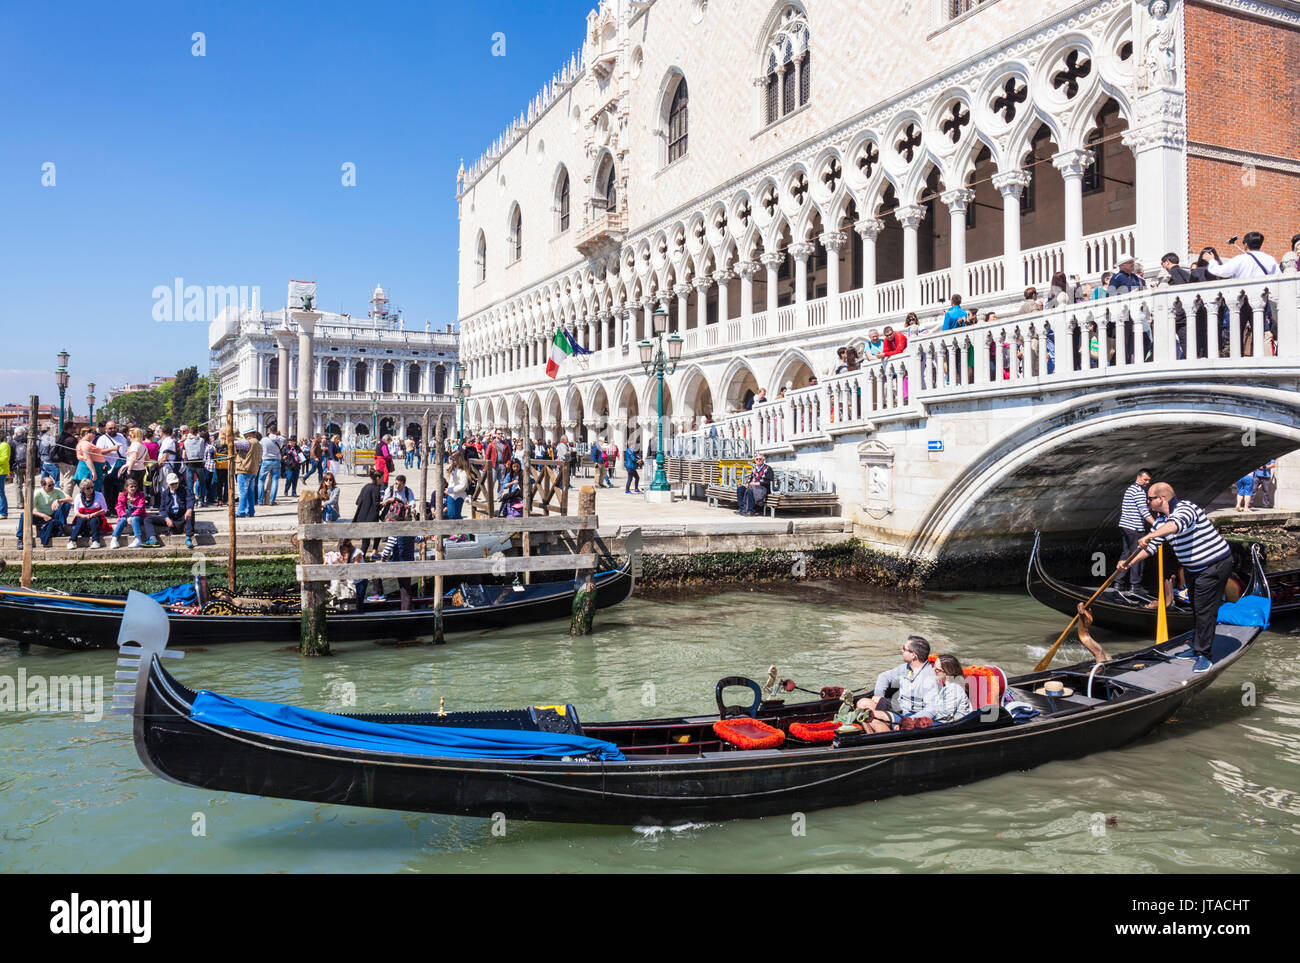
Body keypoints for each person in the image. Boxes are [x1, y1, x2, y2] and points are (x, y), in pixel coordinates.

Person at [1119, 482, 1233, 673]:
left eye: (1150, 499)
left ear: (1161, 499)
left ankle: (1204, 655)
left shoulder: (1186, 508)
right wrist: (1129, 562)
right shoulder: (1160, 520)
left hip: (1215, 564)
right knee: (1196, 607)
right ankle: (1197, 646)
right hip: (1192, 568)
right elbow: (1152, 546)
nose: (1147, 502)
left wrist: (1149, 535)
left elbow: (1176, 526)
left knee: (1205, 609)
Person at [856, 635, 939, 727]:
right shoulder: (906, 667)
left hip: (912, 715)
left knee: (871, 717)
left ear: (913, 655)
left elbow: (931, 709)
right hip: (899, 707)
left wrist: (908, 721)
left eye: (904, 649)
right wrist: (878, 696)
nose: (902, 651)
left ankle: (882, 738)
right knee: (862, 705)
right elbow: (884, 676)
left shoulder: (929, 678)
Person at [377, 499, 423, 611]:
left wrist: (382, 558)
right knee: (405, 589)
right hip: (409, 563)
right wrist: (426, 537)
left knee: (376, 571)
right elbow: (418, 539)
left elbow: (387, 550)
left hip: (398, 563)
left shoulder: (395, 533)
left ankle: (380, 594)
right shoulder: (409, 530)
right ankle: (406, 610)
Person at [1118, 468, 1156, 594]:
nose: (1147, 482)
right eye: (1145, 480)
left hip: (1125, 526)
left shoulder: (1130, 489)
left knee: (1126, 554)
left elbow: (1139, 506)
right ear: (1138, 477)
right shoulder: (1139, 492)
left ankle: (1119, 582)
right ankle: (1135, 585)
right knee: (1138, 555)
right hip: (1135, 528)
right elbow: (1144, 512)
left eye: (1148, 481)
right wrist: (1157, 525)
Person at [18, 475, 72, 549]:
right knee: (23, 515)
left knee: (66, 505)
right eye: (50, 485)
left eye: (53, 484)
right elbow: (28, 509)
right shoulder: (37, 493)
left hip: (53, 515)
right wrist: (43, 515)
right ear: (43, 486)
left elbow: (70, 499)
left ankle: (61, 527)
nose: (52, 487)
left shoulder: (56, 490)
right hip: (40, 516)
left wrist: (58, 500)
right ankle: (20, 538)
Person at [919, 654, 974, 724]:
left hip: (952, 724)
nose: (933, 671)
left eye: (937, 670)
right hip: (943, 720)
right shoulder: (945, 686)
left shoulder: (954, 688)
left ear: (947, 672)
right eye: (933, 668)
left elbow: (944, 714)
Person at [149, 471, 196, 547]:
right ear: (167, 484)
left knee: (191, 513)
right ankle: (152, 538)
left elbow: (190, 499)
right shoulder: (164, 493)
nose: (174, 485)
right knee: (148, 519)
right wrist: (166, 518)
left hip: (181, 516)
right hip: (170, 517)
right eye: (172, 484)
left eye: (176, 483)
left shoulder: (185, 489)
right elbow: (162, 508)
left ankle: (188, 538)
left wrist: (189, 509)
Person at [1207, 231, 1281, 279]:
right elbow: (1279, 275)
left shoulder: (1240, 259)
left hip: (1244, 297)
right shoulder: (1270, 259)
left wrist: (1211, 261)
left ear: (1246, 245)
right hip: (1264, 297)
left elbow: (1222, 271)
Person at [110, 476, 158, 549]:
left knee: (134, 519)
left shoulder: (140, 495)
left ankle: (138, 539)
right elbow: (119, 507)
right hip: (126, 515)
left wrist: (132, 516)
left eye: (135, 486)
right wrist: (125, 516)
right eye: (131, 487)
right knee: (122, 520)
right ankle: (114, 539)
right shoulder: (122, 495)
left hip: (139, 515)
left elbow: (140, 507)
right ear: (126, 487)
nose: (133, 488)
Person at [66, 478, 109, 549]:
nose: (90, 490)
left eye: (92, 487)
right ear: (83, 489)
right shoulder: (78, 497)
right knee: (80, 520)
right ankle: (71, 540)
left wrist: (94, 514)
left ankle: (96, 541)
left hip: (96, 516)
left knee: (93, 520)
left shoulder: (99, 495)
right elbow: (76, 512)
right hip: (83, 516)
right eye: (88, 488)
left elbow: (105, 509)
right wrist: (84, 516)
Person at [353, 469, 384, 555]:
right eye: (382, 478)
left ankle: (363, 558)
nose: (383, 480)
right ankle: (361, 558)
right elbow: (376, 505)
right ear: (377, 478)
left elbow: (358, 502)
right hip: (370, 519)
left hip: (361, 518)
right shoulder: (375, 488)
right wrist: (385, 503)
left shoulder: (366, 486)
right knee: (368, 542)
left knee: (365, 543)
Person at [234, 428, 262, 518]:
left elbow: (233, 445)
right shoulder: (258, 443)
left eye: (245, 435)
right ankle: (250, 511)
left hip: (244, 469)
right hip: (253, 470)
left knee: (243, 492)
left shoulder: (248, 442)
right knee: (250, 492)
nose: (244, 437)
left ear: (249, 434)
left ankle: (241, 512)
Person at [259, 424, 284, 506]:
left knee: (261, 480)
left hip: (266, 460)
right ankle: (271, 500)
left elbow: (260, 449)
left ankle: (260, 500)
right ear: (276, 431)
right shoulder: (281, 439)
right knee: (275, 480)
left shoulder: (263, 440)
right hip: (276, 460)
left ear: (269, 431)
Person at [445, 452, 470, 519]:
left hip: (459, 495)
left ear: (458, 460)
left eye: (453, 460)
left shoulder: (463, 471)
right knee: (450, 515)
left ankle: (459, 529)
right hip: (451, 495)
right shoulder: (453, 468)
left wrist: (450, 490)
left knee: (456, 515)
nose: (452, 461)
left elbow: (463, 486)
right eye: (451, 459)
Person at [0, 430, 9, 519]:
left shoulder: (4, 445)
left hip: (1, 471)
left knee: (1, 492)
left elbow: (4, 459)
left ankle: (3, 512)